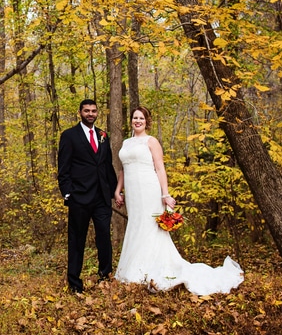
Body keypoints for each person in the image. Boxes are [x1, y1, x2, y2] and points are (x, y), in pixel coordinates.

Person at [114, 106, 243, 295]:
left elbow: (159, 168)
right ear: (131, 120)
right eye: (135, 117)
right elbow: (123, 170)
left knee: (149, 227)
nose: (137, 121)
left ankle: (146, 271)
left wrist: (165, 195)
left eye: (141, 118)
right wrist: (118, 191)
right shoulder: (126, 143)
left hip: (149, 189)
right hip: (132, 193)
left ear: (146, 121)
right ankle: (134, 269)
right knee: (136, 225)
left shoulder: (151, 141)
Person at [57, 99, 118, 293]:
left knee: (104, 238)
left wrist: (116, 191)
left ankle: (105, 277)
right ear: (80, 112)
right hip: (79, 198)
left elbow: (107, 166)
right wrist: (68, 193)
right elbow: (63, 169)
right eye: (86, 111)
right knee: (77, 240)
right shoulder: (69, 136)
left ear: (97, 112)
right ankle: (75, 283)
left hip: (101, 197)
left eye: (93, 111)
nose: (90, 114)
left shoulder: (102, 135)